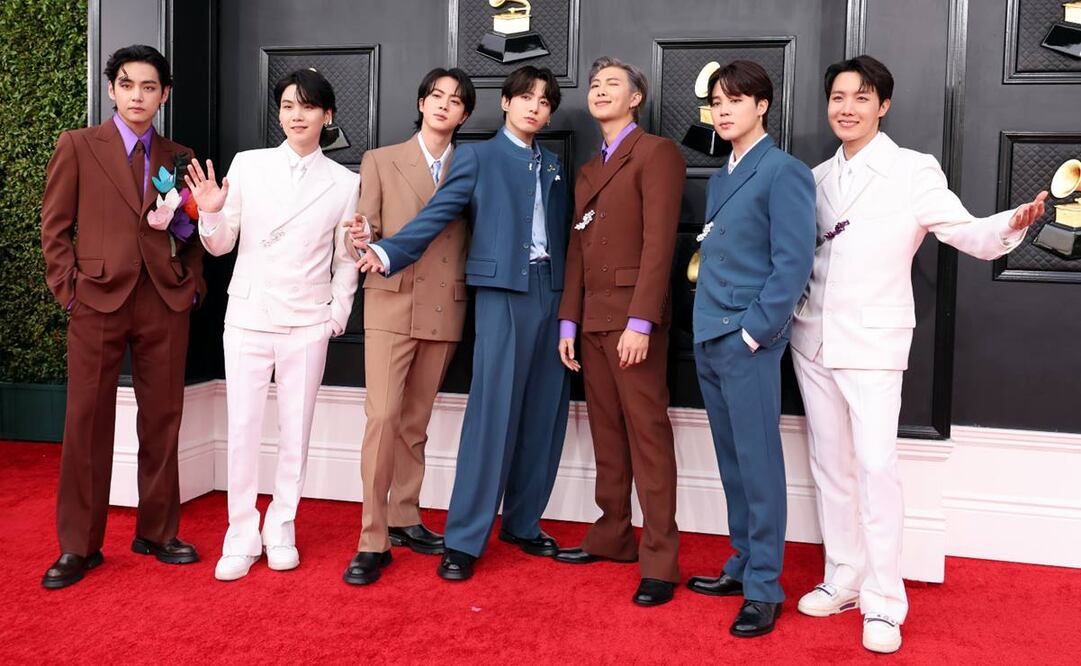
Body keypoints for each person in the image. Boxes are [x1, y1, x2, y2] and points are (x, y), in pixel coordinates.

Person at [789, 55, 1046, 654]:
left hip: (875, 342)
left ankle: (883, 601)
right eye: (838, 98)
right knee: (831, 466)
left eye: (861, 97)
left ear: (883, 105)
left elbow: (964, 231)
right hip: (812, 337)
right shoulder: (816, 176)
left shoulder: (911, 170)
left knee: (876, 469)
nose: (846, 108)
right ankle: (843, 578)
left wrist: (1014, 222)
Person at [355, 65, 572, 582]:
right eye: (525, 97)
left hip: (551, 293)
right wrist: (388, 251)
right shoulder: (477, 156)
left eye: (545, 101)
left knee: (544, 413)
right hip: (501, 293)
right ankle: (465, 539)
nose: (534, 107)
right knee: (492, 414)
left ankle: (522, 522)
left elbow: (568, 238)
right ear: (504, 103)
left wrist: (571, 308)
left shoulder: (555, 164)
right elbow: (438, 215)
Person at [40, 44, 206, 589]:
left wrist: (191, 282)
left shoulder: (180, 156)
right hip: (96, 300)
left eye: (150, 87)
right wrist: (70, 292)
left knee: (163, 418)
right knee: (86, 422)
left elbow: (194, 226)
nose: (138, 95)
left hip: (163, 300)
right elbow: (55, 227)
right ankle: (79, 546)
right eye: (128, 85)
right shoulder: (79, 146)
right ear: (111, 88)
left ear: (164, 94)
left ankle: (157, 531)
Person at [186, 68, 360, 581]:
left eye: (307, 106)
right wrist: (212, 214)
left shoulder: (345, 182)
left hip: (308, 321)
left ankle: (281, 525)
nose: (296, 115)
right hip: (247, 316)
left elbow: (345, 258)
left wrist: (336, 315)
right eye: (287, 105)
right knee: (241, 428)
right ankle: (241, 532)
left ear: (327, 116)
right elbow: (220, 245)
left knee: (295, 432)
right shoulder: (249, 165)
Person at [684, 60, 817, 637]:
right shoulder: (721, 175)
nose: (724, 108)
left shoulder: (783, 171)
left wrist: (754, 333)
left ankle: (765, 584)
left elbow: (793, 263)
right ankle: (742, 562)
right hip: (710, 333)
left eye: (736, 99)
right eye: (717, 100)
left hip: (746, 339)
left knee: (759, 463)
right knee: (733, 461)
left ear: (762, 105)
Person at [553, 56, 685, 607]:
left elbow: (660, 243)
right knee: (606, 432)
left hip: (633, 324)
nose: (600, 90)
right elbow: (579, 249)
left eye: (613, 84)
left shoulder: (656, 153)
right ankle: (612, 534)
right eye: (595, 84)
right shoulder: (588, 168)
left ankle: (660, 559)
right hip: (591, 324)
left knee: (647, 436)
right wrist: (568, 318)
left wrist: (641, 320)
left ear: (636, 98)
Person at [342, 67, 476, 586]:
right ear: (421, 103)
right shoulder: (379, 160)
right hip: (391, 304)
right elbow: (365, 231)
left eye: (456, 100)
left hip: (445, 305)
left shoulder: (472, 166)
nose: (444, 105)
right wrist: (359, 235)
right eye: (436, 96)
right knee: (382, 419)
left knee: (415, 423)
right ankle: (372, 538)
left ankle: (405, 515)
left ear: (464, 114)